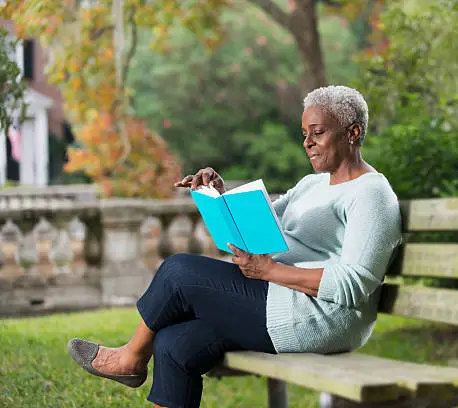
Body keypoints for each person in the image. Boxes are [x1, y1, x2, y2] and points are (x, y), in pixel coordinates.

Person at [68, 85, 402, 408]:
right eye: (304, 134)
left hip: (321, 318)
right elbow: (263, 224)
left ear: (353, 133)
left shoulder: (370, 194)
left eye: (317, 132)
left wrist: (270, 270)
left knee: (179, 271)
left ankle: (130, 358)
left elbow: (355, 284)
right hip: (278, 295)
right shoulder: (313, 183)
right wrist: (219, 195)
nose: (307, 143)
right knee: (174, 344)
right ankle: (135, 358)